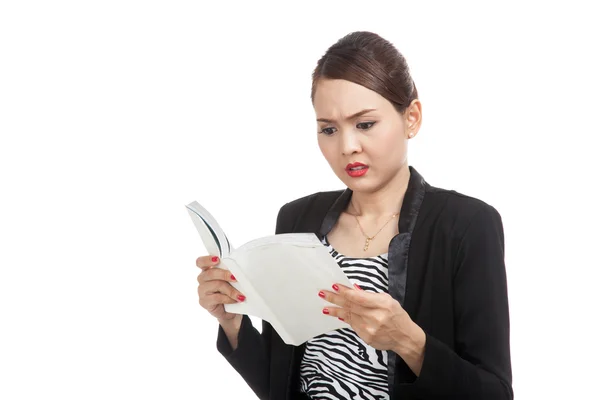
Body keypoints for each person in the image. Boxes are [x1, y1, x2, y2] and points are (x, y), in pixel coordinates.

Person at [196, 31, 513, 400]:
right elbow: (280, 385)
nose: (347, 146)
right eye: (329, 129)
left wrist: (410, 342)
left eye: (365, 124)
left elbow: (495, 393)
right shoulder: (298, 219)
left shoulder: (467, 225)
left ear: (411, 118)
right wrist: (232, 321)